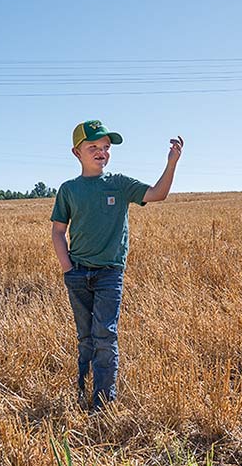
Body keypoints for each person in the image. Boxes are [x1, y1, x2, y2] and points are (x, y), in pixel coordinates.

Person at [50, 120, 184, 412]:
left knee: (105, 334)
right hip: (78, 273)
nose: (101, 152)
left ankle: (103, 403)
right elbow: (58, 230)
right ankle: (82, 393)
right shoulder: (69, 190)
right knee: (85, 337)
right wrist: (68, 269)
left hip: (110, 274)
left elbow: (158, 193)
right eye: (93, 147)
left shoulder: (119, 184)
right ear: (77, 152)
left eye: (106, 148)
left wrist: (171, 162)